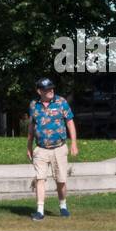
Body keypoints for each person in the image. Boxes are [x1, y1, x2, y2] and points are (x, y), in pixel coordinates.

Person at [27, 77, 78, 221]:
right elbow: (31, 127)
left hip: (59, 148)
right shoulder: (33, 105)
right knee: (40, 179)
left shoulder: (61, 102)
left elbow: (70, 122)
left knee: (61, 180)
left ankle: (63, 206)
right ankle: (40, 210)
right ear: (39, 91)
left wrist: (74, 143)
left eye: (51, 88)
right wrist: (29, 146)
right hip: (41, 149)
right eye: (47, 89)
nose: (51, 91)